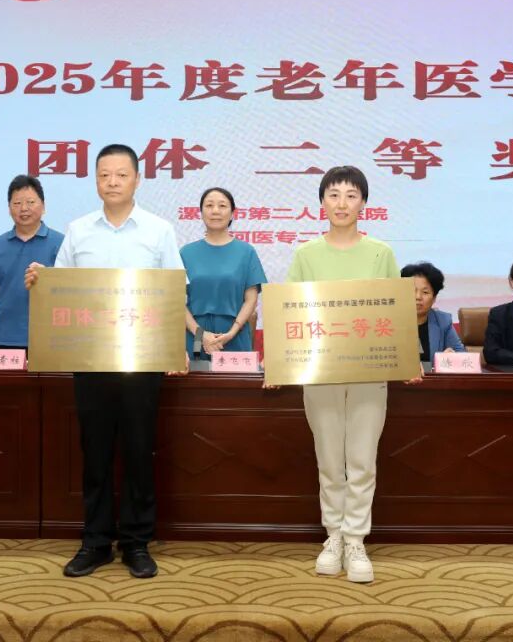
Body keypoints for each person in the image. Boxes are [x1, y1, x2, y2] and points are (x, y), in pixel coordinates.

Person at [24, 144, 184, 580]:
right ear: (95, 180)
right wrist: (40, 281)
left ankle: (136, 542)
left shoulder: (158, 230)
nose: (112, 182)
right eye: (104, 175)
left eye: (121, 174)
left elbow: (175, 290)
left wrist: (175, 349)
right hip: (91, 360)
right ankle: (95, 542)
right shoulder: (78, 231)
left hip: (142, 361)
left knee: (138, 451)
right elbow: (60, 288)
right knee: (94, 453)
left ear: (137, 179)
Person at [287, 165, 399, 585]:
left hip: (369, 371)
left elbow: (394, 312)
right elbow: (290, 312)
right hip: (321, 372)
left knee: (362, 460)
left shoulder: (381, 253)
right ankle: (333, 535)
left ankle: (356, 539)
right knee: (330, 459)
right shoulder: (306, 255)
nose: (342, 203)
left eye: (351, 195)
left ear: (364, 203)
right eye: (333, 194)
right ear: (322, 202)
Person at [0, 175, 64, 353]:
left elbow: (69, 291)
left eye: (30, 202)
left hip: (48, 339)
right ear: (9, 208)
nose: (24, 208)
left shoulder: (61, 243)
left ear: (43, 206)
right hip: (2, 338)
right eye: (17, 203)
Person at [180, 187, 267, 360]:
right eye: (209, 205)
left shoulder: (246, 252)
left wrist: (232, 332)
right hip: (195, 336)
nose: (215, 211)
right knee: (195, 376)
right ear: (201, 212)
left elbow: (251, 300)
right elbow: (177, 301)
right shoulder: (186, 253)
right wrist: (201, 334)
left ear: (232, 213)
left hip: (235, 334)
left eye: (222, 206)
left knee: (234, 378)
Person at [400, 262, 465, 361]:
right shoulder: (390, 321)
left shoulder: (443, 322)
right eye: (412, 290)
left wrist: (452, 356)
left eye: (425, 292)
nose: (418, 297)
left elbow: (461, 355)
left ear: (434, 298)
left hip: (431, 371)